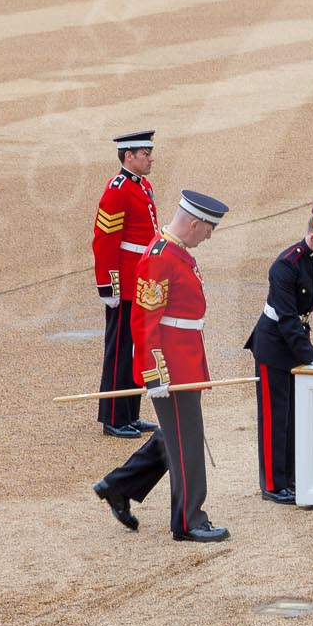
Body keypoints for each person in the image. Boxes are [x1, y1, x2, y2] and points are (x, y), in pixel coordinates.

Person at [93, 191, 231, 543]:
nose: (209, 236)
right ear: (195, 223)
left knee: (175, 435)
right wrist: (154, 373)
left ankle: (118, 485)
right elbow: (144, 321)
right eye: (209, 229)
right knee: (186, 442)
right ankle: (189, 520)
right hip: (170, 366)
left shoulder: (175, 251)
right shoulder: (160, 258)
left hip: (184, 357)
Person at [247, 205, 313, 505]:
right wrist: (312, 356)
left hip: (295, 342)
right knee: (274, 417)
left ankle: (290, 477)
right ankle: (272, 483)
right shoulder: (285, 266)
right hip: (274, 345)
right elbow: (287, 320)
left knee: (293, 416)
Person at [91, 131, 162, 439]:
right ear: (128, 155)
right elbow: (105, 240)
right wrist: (109, 285)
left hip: (142, 280)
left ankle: (129, 413)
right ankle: (114, 417)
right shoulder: (117, 190)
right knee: (119, 351)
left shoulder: (141, 185)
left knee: (135, 350)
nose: (150, 157)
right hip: (127, 282)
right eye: (145, 153)